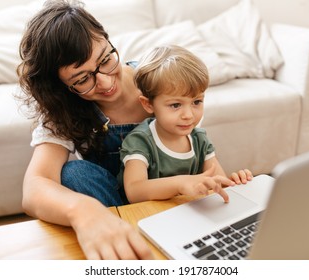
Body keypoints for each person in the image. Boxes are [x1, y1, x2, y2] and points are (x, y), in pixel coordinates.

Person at [17, 0, 153, 260]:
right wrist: (82, 210)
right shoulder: (65, 113)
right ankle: (124, 243)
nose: (104, 82)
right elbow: (34, 187)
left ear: (106, 37)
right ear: (62, 87)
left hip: (168, 196)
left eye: (105, 59)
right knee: (74, 174)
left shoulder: (156, 79)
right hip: (116, 212)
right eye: (82, 79)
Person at [118, 45, 253, 204]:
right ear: (148, 105)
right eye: (175, 105)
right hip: (150, 218)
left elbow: (218, 182)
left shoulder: (199, 140)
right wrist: (180, 184)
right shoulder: (140, 141)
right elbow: (134, 191)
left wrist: (234, 182)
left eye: (196, 102)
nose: (188, 115)